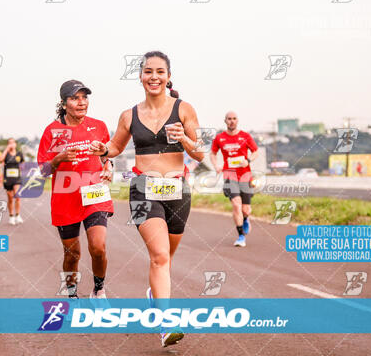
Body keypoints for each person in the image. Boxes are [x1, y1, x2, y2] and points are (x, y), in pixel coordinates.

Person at [89, 51, 204, 347]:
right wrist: (102, 149)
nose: (154, 77)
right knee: (160, 256)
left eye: (160, 72)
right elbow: (115, 147)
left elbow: (201, 153)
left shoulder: (184, 109)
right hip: (143, 189)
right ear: (140, 76)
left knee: (166, 258)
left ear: (168, 77)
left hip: (178, 190)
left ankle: (155, 295)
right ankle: (166, 325)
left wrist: (185, 139)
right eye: (148, 71)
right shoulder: (129, 115)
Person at [37, 80, 113, 299]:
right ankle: (71, 295)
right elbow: (42, 171)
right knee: (72, 254)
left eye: (84, 97)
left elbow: (108, 155)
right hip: (65, 199)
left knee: (98, 247)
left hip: (94, 193)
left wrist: (109, 167)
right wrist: (58, 159)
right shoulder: (52, 131)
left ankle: (99, 290)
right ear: (63, 103)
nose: (81, 102)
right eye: (74, 98)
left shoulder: (98, 126)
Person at [210, 111, 259, 247]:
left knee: (245, 209)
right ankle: (241, 236)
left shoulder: (245, 136)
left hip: (245, 176)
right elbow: (212, 153)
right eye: (229, 119)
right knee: (236, 205)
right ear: (225, 121)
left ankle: (246, 219)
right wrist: (216, 166)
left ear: (237, 121)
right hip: (229, 176)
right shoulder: (220, 138)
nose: (232, 121)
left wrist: (248, 160)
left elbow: (256, 151)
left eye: (234, 119)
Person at [0, 138, 25, 225]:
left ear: (15, 144)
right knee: (10, 198)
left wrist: (22, 168)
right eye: (9, 143)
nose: (11, 144)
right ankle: (11, 216)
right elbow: (0, 159)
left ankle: (18, 215)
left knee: (17, 196)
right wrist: (6, 149)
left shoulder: (19, 154)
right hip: (8, 178)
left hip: (17, 178)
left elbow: (23, 164)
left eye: (12, 143)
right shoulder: (6, 154)